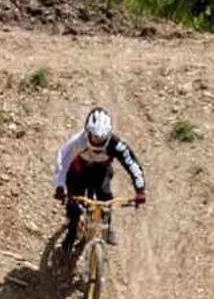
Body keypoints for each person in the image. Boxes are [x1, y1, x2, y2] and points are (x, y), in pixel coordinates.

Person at [54, 108, 146, 252]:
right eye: (95, 138)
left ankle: (107, 227)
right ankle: (71, 233)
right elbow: (63, 161)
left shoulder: (117, 145)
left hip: (100, 173)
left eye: (102, 139)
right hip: (78, 173)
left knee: (106, 197)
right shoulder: (78, 142)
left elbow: (132, 164)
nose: (97, 142)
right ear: (87, 132)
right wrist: (60, 186)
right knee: (73, 207)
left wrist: (140, 189)